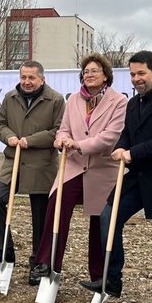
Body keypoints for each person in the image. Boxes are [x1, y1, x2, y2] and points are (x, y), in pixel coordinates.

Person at [79, 50, 152, 298]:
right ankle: (111, 279)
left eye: (141, 73)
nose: (136, 78)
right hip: (138, 176)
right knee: (108, 215)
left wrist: (133, 153)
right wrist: (120, 146)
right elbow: (127, 133)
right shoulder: (133, 103)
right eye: (132, 74)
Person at [29, 53, 126, 286]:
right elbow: (63, 129)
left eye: (95, 71)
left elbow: (111, 137)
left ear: (106, 76)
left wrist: (79, 145)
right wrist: (62, 140)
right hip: (72, 165)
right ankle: (47, 262)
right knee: (56, 207)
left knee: (98, 222)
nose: (89, 75)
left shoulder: (119, 101)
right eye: (86, 72)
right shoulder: (73, 99)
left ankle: (99, 275)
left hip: (102, 169)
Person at [0, 60, 65, 270]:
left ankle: (38, 262)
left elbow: (58, 130)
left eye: (31, 77)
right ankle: (5, 249)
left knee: (39, 215)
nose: (27, 82)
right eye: (23, 77)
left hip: (41, 164)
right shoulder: (11, 97)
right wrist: (10, 137)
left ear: (42, 79)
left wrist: (31, 140)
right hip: (14, 161)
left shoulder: (55, 100)